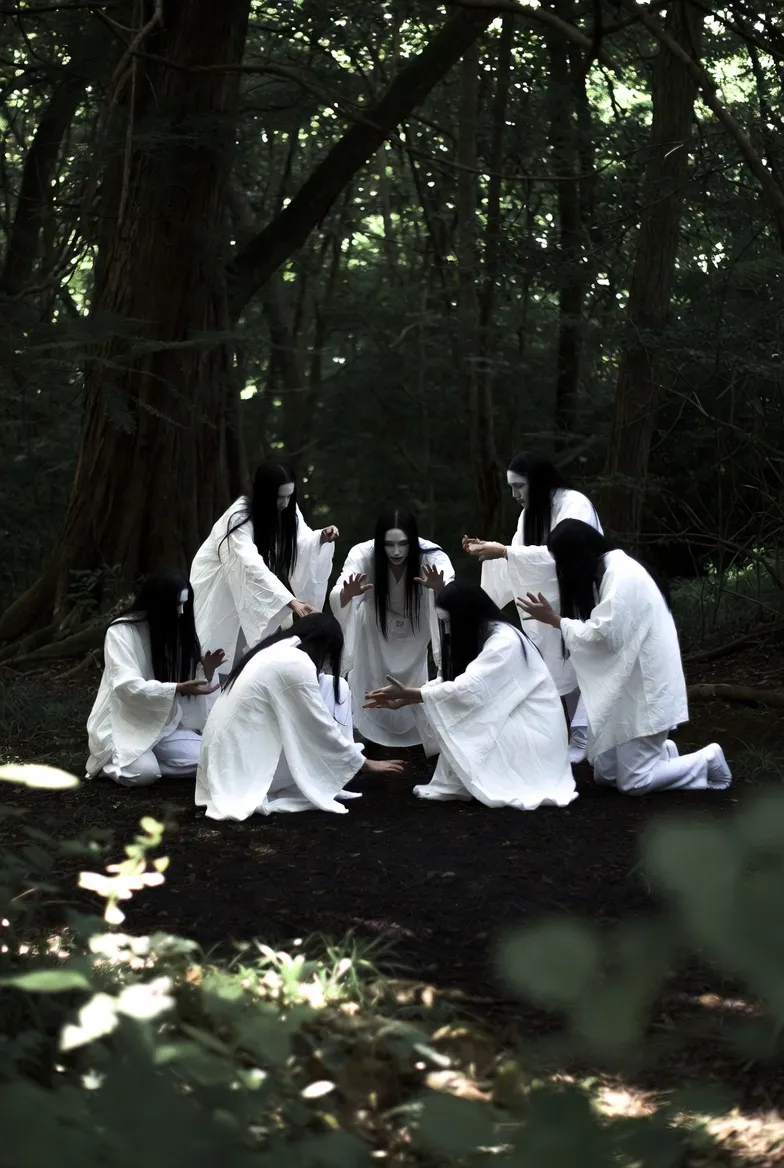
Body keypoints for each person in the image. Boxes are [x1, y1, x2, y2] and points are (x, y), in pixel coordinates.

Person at [517, 519, 732, 795]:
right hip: (628, 688)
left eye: (562, 562)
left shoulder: (622, 575)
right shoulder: (607, 572)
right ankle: (663, 753)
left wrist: (556, 620)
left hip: (646, 689)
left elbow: (604, 635)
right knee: (605, 776)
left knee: (634, 784)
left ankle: (708, 759)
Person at [364, 580, 577, 810]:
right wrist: (409, 696)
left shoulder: (505, 642)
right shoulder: (484, 635)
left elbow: (469, 689)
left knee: (472, 721)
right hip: (516, 718)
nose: (446, 630)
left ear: (465, 616)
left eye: (448, 622)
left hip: (533, 730)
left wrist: (414, 694)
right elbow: (452, 682)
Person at [463, 450, 601, 763]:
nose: (514, 495)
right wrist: (494, 553)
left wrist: (505, 553)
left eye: (519, 487)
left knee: (585, 658)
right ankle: (577, 736)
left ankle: (585, 736)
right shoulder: (530, 514)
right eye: (510, 487)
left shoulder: (575, 504)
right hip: (552, 601)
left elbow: (568, 554)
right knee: (562, 660)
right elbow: (518, 552)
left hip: (579, 593)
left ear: (537, 482)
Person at [195, 614, 404, 820]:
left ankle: (340, 766)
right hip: (244, 775)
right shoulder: (294, 663)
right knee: (336, 690)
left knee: (335, 685)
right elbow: (317, 725)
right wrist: (361, 763)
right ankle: (337, 768)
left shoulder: (275, 650)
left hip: (227, 767)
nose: (327, 663)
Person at [191, 461, 339, 673]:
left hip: (255, 591)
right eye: (280, 497)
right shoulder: (238, 517)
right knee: (220, 654)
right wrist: (290, 601)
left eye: (290, 496)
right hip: (223, 591)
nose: (285, 503)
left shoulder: (288, 510)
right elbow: (249, 564)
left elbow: (300, 541)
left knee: (253, 659)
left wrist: (320, 538)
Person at [86, 570, 224, 787]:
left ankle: (155, 760)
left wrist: (205, 671)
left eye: (184, 605)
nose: (181, 612)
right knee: (146, 774)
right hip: (125, 723)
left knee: (215, 759)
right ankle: (113, 762)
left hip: (165, 724)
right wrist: (177, 688)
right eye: (175, 605)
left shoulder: (178, 627)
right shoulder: (122, 631)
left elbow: (190, 685)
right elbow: (126, 686)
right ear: (158, 603)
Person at [329, 509, 455, 747]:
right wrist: (348, 593)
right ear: (379, 542)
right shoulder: (364, 553)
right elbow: (341, 588)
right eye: (389, 545)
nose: (396, 551)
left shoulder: (431, 554)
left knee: (412, 681)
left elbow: (449, 584)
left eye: (403, 544)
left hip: (414, 634)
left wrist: (440, 589)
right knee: (369, 676)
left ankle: (419, 739)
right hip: (374, 632)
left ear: (413, 541)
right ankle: (363, 739)